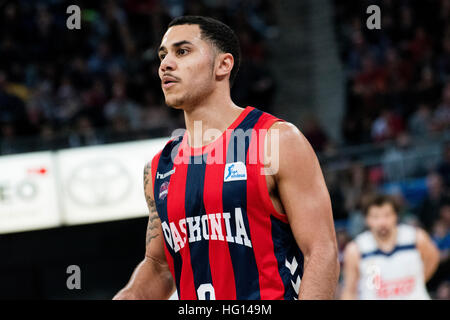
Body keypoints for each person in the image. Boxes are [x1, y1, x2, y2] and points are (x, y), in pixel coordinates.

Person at [113, 16, 339, 300]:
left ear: (223, 64)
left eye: (182, 52)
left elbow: (321, 250)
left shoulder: (276, 140)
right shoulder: (158, 168)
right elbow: (160, 267)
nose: (165, 65)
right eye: (163, 55)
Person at [341, 194, 440, 300]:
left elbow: (433, 259)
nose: (382, 222)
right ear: (367, 219)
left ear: (395, 216)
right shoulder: (356, 249)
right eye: (375, 217)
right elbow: (349, 290)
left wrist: (419, 279)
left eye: (387, 215)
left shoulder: (416, 238)